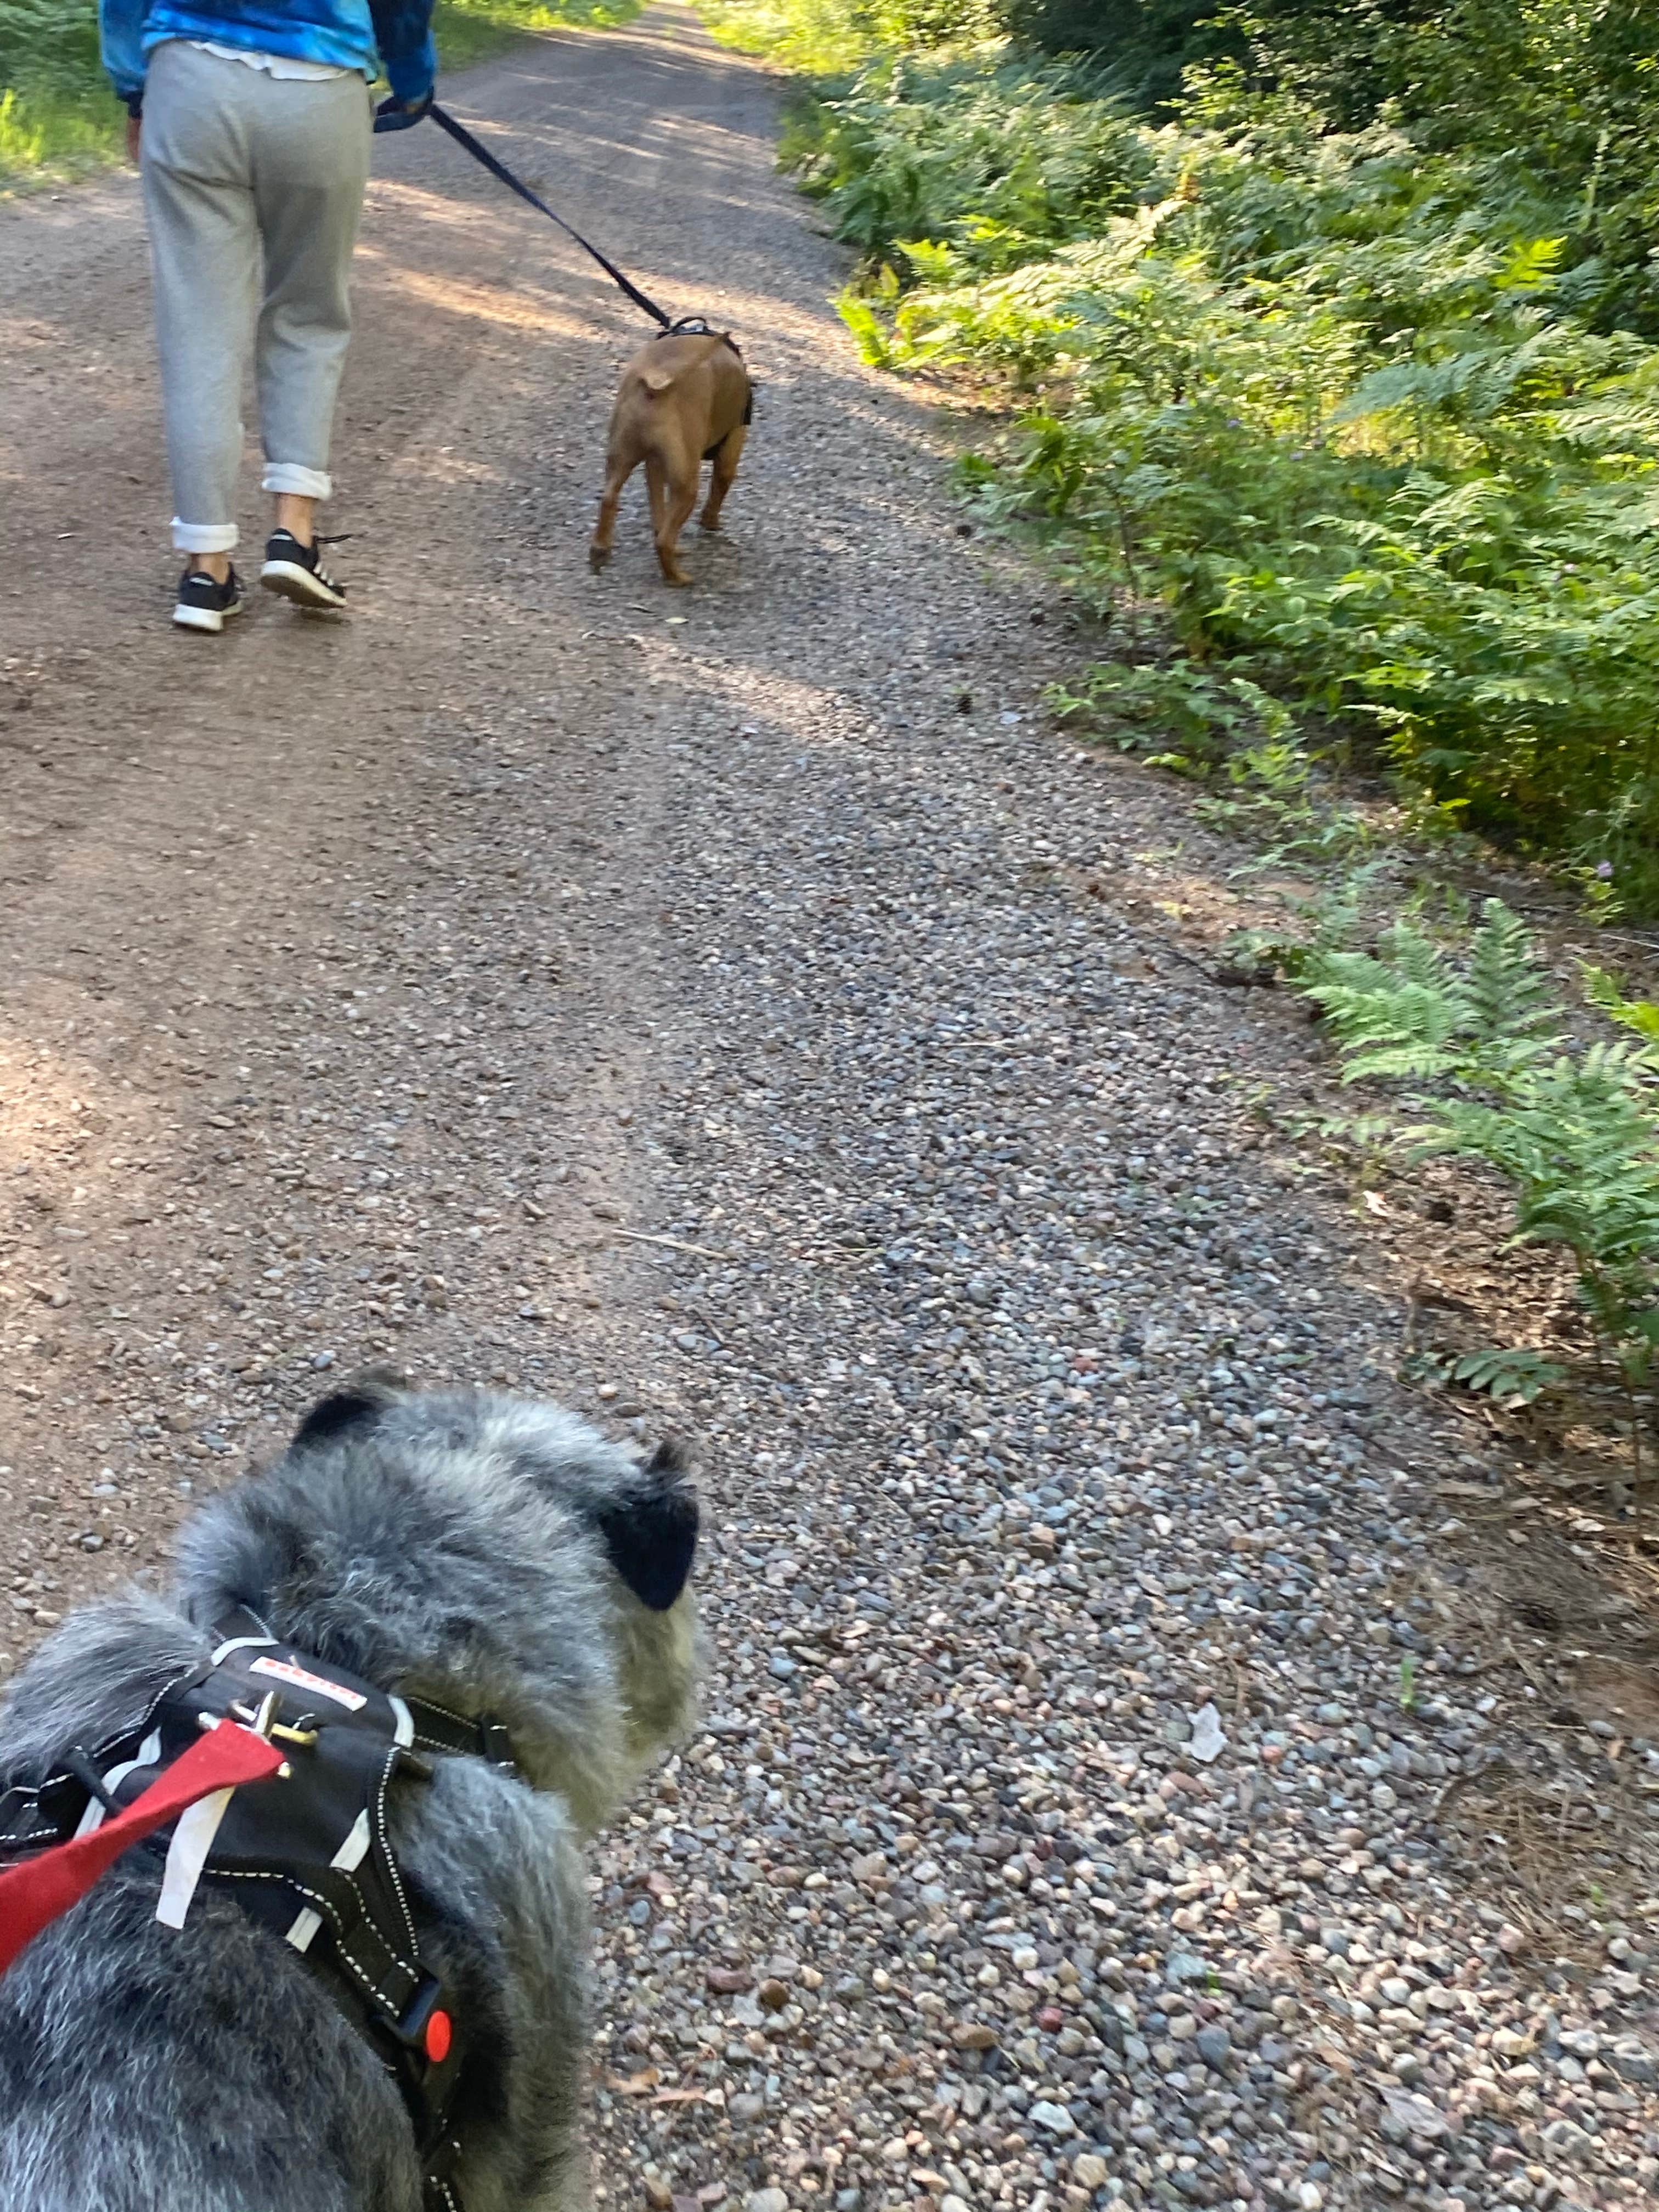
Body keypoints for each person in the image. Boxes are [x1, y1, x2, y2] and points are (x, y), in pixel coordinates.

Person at [99, 0, 438, 631]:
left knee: (198, 327)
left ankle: (207, 572)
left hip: (190, 77)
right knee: (309, 313)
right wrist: (413, 78)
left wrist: (135, 90)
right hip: (320, 84)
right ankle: (294, 534)